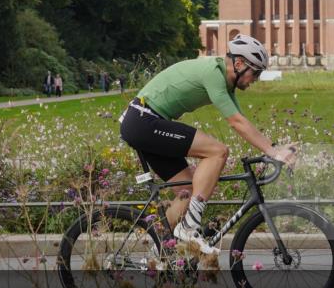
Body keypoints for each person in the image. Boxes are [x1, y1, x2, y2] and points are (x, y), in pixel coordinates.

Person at [118, 34, 296, 255]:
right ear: (239, 64)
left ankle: (159, 252)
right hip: (144, 120)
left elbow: (241, 120)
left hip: (145, 122)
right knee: (218, 152)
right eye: (255, 72)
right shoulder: (213, 73)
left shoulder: (224, 82)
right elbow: (236, 123)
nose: (256, 79)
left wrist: (274, 147)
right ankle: (188, 227)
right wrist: (273, 151)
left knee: (188, 190)